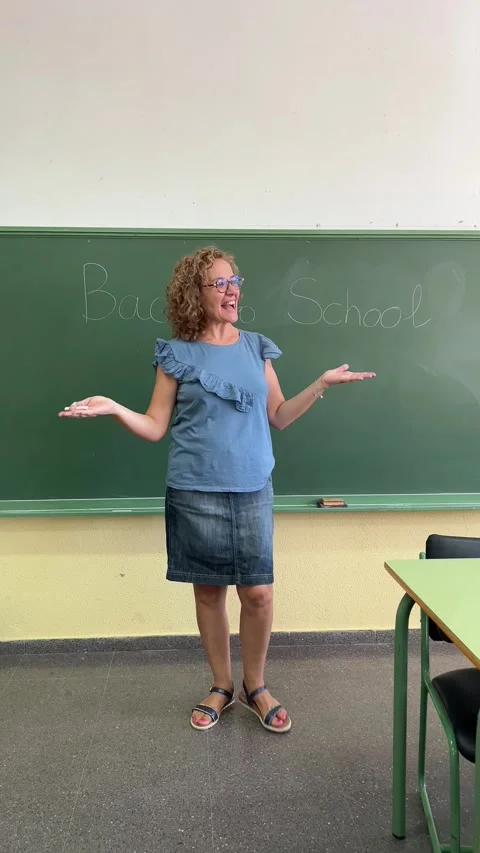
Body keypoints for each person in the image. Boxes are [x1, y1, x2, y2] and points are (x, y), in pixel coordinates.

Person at [59, 247, 375, 734]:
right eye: (220, 283)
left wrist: (322, 384)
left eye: (235, 281)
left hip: (252, 487)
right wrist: (115, 408)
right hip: (195, 489)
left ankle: (256, 686)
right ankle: (222, 686)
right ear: (195, 294)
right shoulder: (175, 354)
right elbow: (155, 426)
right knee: (209, 593)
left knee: (258, 593)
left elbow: (279, 416)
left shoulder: (256, 347)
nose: (233, 291)